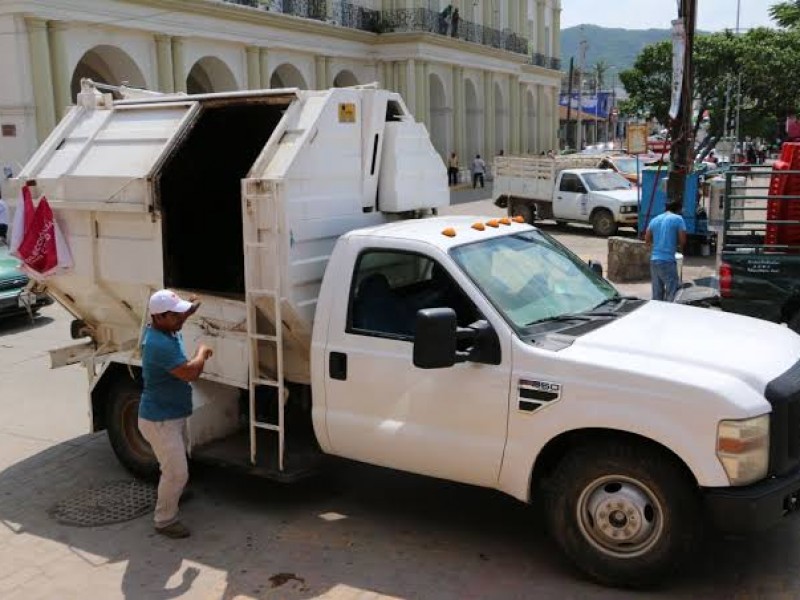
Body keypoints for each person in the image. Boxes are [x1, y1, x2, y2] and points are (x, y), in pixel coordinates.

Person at [138, 289, 212, 539]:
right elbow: (191, 372)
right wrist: (202, 352)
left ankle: (173, 492)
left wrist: (190, 303)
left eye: (181, 314)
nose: (182, 319)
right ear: (159, 317)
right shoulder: (159, 345)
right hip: (160, 421)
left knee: (171, 467)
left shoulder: (165, 326)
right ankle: (165, 520)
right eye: (176, 315)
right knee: (177, 472)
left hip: (170, 415)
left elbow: (185, 312)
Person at [645, 200, 686, 302]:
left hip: (654, 260)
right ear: (678, 209)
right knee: (672, 291)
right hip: (667, 260)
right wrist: (676, 246)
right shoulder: (678, 219)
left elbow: (647, 239)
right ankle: (669, 314)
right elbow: (683, 240)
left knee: (657, 292)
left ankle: (657, 314)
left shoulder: (655, 219)